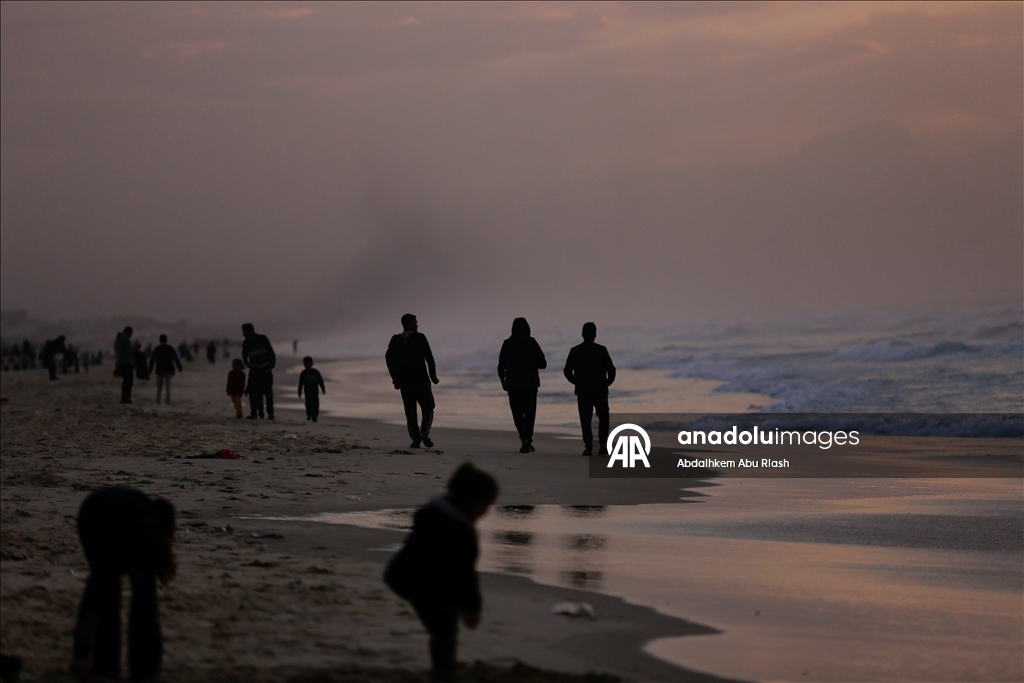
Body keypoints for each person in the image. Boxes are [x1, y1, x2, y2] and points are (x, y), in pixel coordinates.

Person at [384, 464, 498, 681]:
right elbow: (464, 576)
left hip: (400, 575)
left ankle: (445, 664)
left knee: (441, 623)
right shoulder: (461, 531)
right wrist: (473, 609)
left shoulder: (434, 513)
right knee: (445, 625)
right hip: (420, 582)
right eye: (486, 506)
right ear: (473, 503)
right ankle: (444, 671)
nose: (486, 512)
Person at [70, 487, 176, 682]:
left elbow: (165, 507)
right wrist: (81, 653)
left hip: (132, 514)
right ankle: (105, 665)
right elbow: (91, 604)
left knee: (145, 596)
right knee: (106, 594)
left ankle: (145, 667)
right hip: (94, 515)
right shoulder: (104, 545)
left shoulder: (159, 525)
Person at [386, 314, 439, 448]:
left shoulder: (395, 340)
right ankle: (424, 433)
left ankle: (416, 441)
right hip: (421, 378)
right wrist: (433, 376)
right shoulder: (420, 337)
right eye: (415, 322)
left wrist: (394, 378)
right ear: (409, 324)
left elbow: (389, 359)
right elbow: (429, 358)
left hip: (404, 380)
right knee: (428, 407)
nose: (417, 325)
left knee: (410, 412)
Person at [563, 322, 616, 456]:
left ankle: (588, 447)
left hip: (583, 390)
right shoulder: (601, 350)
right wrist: (607, 383)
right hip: (600, 390)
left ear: (582, 335)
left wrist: (576, 382)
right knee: (604, 417)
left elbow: (567, 371)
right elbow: (611, 369)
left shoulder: (575, 351)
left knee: (585, 419)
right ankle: (603, 444)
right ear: (595, 335)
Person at [497, 318, 547, 453]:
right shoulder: (532, 342)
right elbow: (543, 363)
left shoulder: (507, 344)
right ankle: (528, 440)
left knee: (517, 414)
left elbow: (501, 366)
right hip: (530, 384)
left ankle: (524, 438)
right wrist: (531, 362)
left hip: (513, 384)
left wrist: (503, 381)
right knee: (530, 414)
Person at [241, 323, 276, 420]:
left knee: (268, 392)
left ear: (251, 331)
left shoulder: (263, 339)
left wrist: (271, 366)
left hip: (265, 369)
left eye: (245, 331)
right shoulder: (246, 343)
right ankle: (254, 413)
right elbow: (244, 353)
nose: (243, 334)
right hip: (254, 370)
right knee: (253, 392)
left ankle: (270, 414)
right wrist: (246, 362)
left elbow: (271, 352)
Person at [147, 335, 182, 405]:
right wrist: (179, 367)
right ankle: (167, 401)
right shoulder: (170, 348)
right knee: (167, 387)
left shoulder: (157, 349)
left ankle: (158, 401)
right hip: (169, 370)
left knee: (159, 387)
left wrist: (150, 370)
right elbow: (176, 358)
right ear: (166, 340)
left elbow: (152, 360)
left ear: (160, 340)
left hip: (159, 370)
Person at [298, 356, 326, 422]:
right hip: (307, 391)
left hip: (315, 391)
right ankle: (309, 414)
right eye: (305, 364)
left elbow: (320, 381)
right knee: (308, 403)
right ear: (304, 364)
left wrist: (323, 388)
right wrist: (299, 392)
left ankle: (315, 416)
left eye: (308, 364)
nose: (307, 365)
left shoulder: (315, 372)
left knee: (315, 404)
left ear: (312, 364)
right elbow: (300, 383)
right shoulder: (303, 373)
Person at [114, 327, 135, 404]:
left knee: (125, 382)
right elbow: (130, 350)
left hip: (121, 362)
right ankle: (126, 398)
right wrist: (136, 348)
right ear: (127, 332)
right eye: (131, 333)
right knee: (128, 381)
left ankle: (124, 398)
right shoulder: (125, 340)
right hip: (126, 363)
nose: (131, 335)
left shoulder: (119, 340)